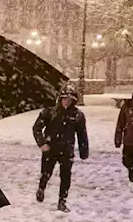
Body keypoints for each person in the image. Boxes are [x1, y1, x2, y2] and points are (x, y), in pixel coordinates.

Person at [32, 83, 90, 213]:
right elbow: (37, 128)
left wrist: (84, 150)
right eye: (65, 99)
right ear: (60, 99)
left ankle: (62, 201)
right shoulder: (50, 112)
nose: (67, 102)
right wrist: (42, 143)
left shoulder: (78, 115)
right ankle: (41, 188)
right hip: (50, 148)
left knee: (66, 177)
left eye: (70, 100)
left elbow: (82, 134)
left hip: (67, 150)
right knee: (46, 172)